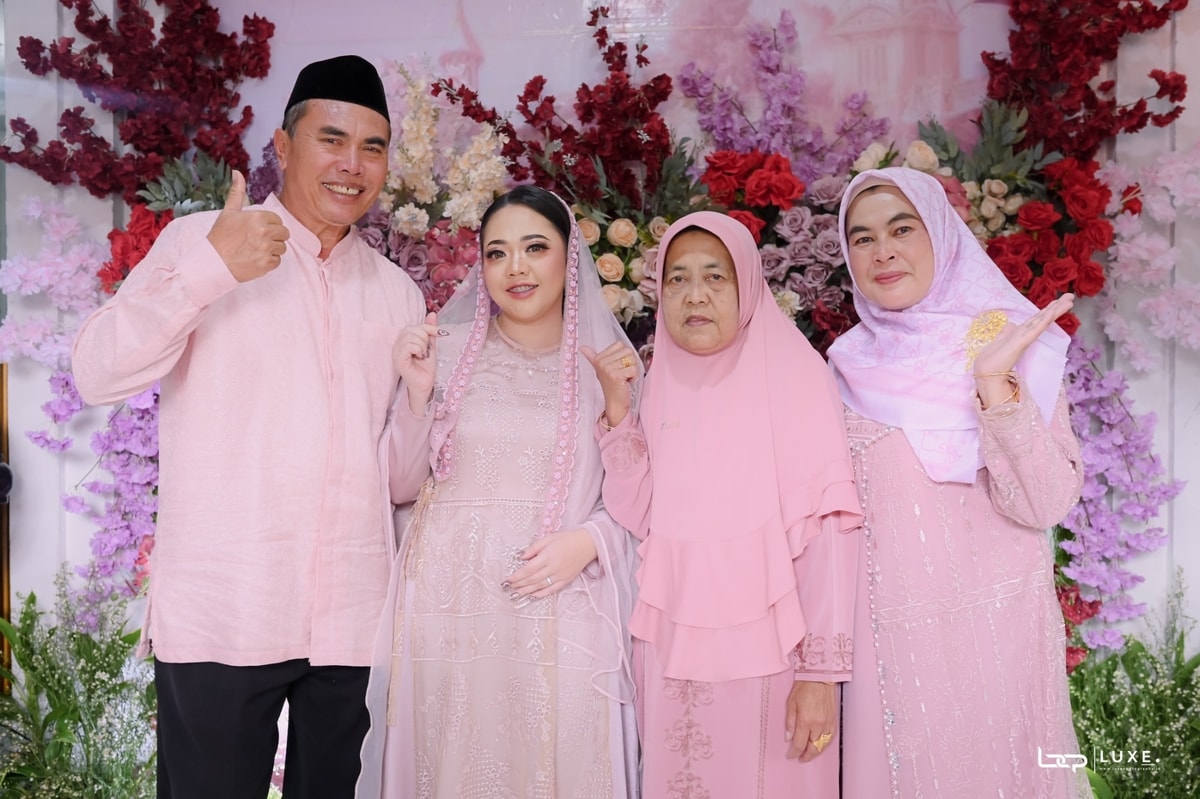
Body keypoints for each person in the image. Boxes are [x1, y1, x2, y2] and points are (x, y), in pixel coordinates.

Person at [71, 55, 432, 799]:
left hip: (352, 617)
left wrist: (425, 402)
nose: (352, 165)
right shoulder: (203, 242)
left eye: (372, 147)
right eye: (332, 139)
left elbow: (397, 475)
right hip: (227, 605)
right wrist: (211, 271)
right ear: (283, 145)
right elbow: (97, 372)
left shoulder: (397, 293)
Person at [356, 185, 642, 799]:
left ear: (569, 258)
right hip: (447, 609)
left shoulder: (609, 368)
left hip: (559, 603)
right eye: (496, 252)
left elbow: (641, 500)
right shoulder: (445, 350)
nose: (515, 268)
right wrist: (416, 395)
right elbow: (401, 484)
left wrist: (591, 542)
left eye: (535, 248)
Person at [828, 167, 1089, 798]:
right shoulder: (841, 366)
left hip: (1002, 639)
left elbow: (1045, 504)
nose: (883, 251)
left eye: (902, 229)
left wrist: (995, 386)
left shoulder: (1012, 340)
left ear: (942, 234)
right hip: (890, 651)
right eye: (862, 238)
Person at [594, 211, 862, 798]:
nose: (695, 296)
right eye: (678, 278)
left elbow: (831, 538)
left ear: (748, 286)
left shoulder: (794, 378)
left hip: (778, 664)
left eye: (715, 277)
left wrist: (820, 675)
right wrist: (618, 414)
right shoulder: (661, 380)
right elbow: (639, 513)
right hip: (671, 654)